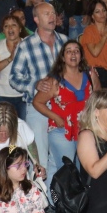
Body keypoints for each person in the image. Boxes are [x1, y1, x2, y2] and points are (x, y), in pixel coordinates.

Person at [9, 2, 67, 173]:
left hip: (63, 106)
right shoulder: (26, 45)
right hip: (37, 109)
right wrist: (34, 84)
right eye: (46, 14)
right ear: (36, 19)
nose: (52, 17)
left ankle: (60, 197)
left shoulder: (64, 42)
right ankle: (39, 198)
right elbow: (14, 78)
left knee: (63, 156)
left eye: (53, 13)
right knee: (39, 159)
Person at [33, 39, 93, 187]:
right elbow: (37, 102)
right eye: (69, 51)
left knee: (63, 168)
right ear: (63, 57)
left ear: (81, 56)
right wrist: (55, 117)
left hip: (83, 130)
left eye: (76, 51)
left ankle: (53, 204)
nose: (73, 54)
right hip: (62, 130)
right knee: (67, 171)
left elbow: (97, 98)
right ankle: (66, 206)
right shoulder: (54, 81)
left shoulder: (89, 75)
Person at [0, 145, 46, 213]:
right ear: (4, 168)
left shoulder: (31, 188)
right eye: (18, 165)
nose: (24, 169)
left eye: (25, 164)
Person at [0, 15, 27, 119]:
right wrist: (10, 58)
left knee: (22, 131)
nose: (10, 28)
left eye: (13, 25)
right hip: (2, 95)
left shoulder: (28, 45)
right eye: (6, 26)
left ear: (20, 29)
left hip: (24, 96)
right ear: (3, 31)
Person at [80, 0, 107, 90]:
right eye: (97, 12)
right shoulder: (89, 31)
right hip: (93, 74)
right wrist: (104, 37)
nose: (102, 14)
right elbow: (95, 52)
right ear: (92, 16)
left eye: (103, 10)